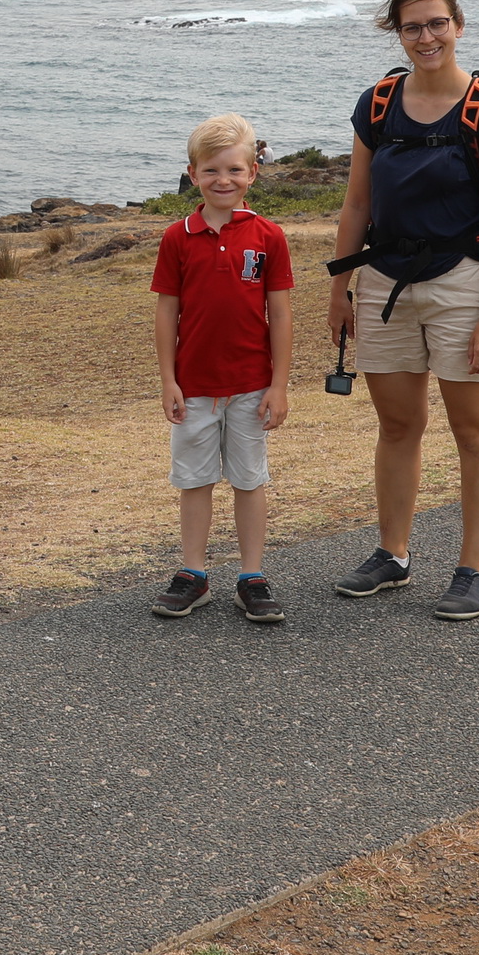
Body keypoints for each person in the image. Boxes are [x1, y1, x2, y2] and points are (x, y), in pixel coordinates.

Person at [323, 0, 479, 621]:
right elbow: (357, 202)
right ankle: (393, 555)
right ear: (398, 32)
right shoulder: (379, 103)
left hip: (462, 285)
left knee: (473, 429)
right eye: (414, 26)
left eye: (437, 22)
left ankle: (475, 572)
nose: (427, 36)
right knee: (399, 424)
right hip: (384, 283)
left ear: (458, 25)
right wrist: (339, 289)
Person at [146, 112, 296, 624]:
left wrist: (279, 385)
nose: (223, 180)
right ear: (193, 173)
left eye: (234, 170)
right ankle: (194, 574)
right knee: (194, 479)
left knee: (249, 479)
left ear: (252, 172)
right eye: (211, 171)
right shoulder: (177, 237)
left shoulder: (269, 237)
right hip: (194, 388)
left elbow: (281, 313)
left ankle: (251, 576)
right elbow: (167, 312)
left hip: (253, 385)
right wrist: (168, 379)